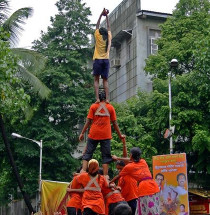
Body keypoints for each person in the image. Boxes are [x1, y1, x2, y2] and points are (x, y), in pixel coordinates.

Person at [79, 90, 125, 175]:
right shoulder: (110, 107)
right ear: (106, 98)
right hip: (105, 135)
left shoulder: (93, 106)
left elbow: (88, 121)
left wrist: (82, 133)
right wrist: (120, 135)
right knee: (106, 156)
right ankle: (105, 175)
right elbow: (115, 123)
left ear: (98, 97)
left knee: (87, 153)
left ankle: (83, 171)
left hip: (94, 133)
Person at [111, 147, 160, 215]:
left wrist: (110, 182)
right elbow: (129, 160)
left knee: (147, 210)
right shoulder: (143, 161)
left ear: (131, 155)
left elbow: (117, 176)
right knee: (153, 209)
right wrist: (118, 158)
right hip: (154, 186)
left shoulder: (129, 167)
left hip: (145, 188)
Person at [93, 8, 112, 103]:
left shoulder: (98, 36)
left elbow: (97, 25)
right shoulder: (108, 37)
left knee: (96, 80)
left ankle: (97, 98)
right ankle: (107, 99)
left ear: (100, 33)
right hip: (106, 60)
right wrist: (107, 16)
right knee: (105, 80)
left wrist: (101, 14)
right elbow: (109, 27)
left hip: (97, 60)